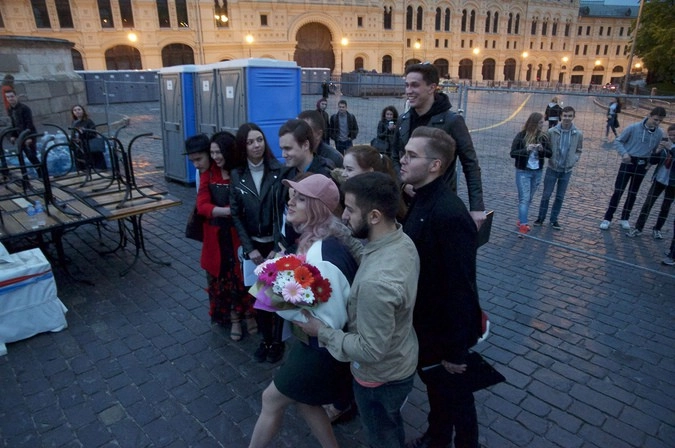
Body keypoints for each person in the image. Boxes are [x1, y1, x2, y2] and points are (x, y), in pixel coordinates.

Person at [296, 172, 420, 448]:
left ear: (374, 216)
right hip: (401, 358)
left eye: (350, 210)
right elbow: (369, 256)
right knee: (390, 426)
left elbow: (370, 350)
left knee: (382, 438)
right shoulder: (401, 241)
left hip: (379, 380)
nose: (344, 215)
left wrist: (321, 331)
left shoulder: (376, 284)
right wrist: (344, 235)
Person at [248, 174, 358, 448]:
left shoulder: (322, 255)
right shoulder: (321, 242)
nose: (290, 203)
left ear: (318, 208)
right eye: (292, 197)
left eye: (300, 199)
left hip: (320, 351)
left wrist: (276, 299)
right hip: (315, 346)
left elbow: (330, 320)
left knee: (270, 399)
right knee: (306, 402)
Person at [399, 126, 483, 448]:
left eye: (411, 155)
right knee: (438, 388)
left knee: (456, 393)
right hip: (425, 322)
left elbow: (461, 287)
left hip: (442, 329)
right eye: (405, 153)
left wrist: (455, 350)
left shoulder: (449, 213)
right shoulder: (421, 197)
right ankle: (437, 437)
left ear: (435, 165)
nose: (402, 160)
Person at [393, 63, 486, 230]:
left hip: (439, 203)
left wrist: (477, 207)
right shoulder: (403, 120)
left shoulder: (452, 121)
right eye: (406, 85)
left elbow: (470, 164)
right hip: (407, 203)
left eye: (415, 85)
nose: (408, 91)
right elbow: (394, 157)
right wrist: (403, 185)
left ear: (432, 88)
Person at [230, 123, 284, 360]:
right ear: (243, 146)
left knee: (279, 294)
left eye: (259, 140)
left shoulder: (278, 170)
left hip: (275, 245)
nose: (256, 146)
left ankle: (278, 342)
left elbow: (283, 212)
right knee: (260, 297)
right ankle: (266, 340)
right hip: (254, 247)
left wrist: (277, 246)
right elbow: (236, 214)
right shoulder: (237, 174)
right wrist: (250, 248)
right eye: (250, 142)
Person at [196, 132, 250, 335]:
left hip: (239, 235)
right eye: (212, 153)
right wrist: (227, 211)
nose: (215, 157)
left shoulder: (240, 172)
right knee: (224, 279)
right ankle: (234, 318)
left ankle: (249, 314)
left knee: (242, 276)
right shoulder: (209, 174)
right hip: (217, 237)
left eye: (219, 152)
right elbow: (202, 206)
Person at [600, 107, 667, 231]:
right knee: (618, 191)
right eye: (655, 119)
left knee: (633, 193)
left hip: (642, 164)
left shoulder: (659, 133)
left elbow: (654, 150)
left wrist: (650, 163)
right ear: (649, 115)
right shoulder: (633, 128)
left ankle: (625, 218)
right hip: (629, 161)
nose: (657, 123)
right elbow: (618, 141)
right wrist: (624, 154)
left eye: (660, 121)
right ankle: (607, 218)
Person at [534, 106, 583, 230]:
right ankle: (541, 218)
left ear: (573, 117)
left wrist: (574, 159)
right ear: (561, 116)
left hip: (566, 170)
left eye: (570, 116)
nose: (567, 118)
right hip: (552, 168)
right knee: (546, 195)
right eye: (565, 115)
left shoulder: (578, 134)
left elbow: (579, 149)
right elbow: (546, 147)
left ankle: (554, 219)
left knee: (560, 197)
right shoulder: (552, 131)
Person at [626, 124, 675, 239]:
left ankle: (657, 229)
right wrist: (657, 151)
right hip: (659, 179)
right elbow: (653, 161)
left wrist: (671, 149)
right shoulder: (666, 146)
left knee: (666, 206)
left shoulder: (670, 147)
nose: (672, 137)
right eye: (670, 135)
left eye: (674, 135)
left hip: (672, 183)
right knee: (648, 203)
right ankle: (638, 228)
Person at [510, 112, 552, 235]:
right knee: (524, 198)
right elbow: (513, 153)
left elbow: (550, 153)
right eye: (540, 123)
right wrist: (526, 150)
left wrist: (542, 149)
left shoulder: (543, 137)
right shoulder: (521, 135)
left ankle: (520, 220)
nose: (542, 125)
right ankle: (523, 225)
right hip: (523, 171)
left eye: (542, 123)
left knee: (528, 199)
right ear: (533, 123)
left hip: (537, 172)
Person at [342, 144, 407, 220]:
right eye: (344, 168)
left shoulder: (381, 203)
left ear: (369, 172)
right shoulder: (351, 193)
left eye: (349, 169)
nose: (343, 174)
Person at [5, 89, 41, 175]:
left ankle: (41, 173)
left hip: (28, 134)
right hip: (20, 135)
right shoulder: (10, 109)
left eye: (12, 96)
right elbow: (13, 123)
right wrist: (13, 135)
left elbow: (29, 123)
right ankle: (35, 173)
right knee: (26, 155)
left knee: (32, 155)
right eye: (8, 97)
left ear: (16, 96)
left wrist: (29, 137)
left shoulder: (24, 108)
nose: (10, 99)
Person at [70, 104, 105, 170]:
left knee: (93, 164)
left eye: (79, 109)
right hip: (79, 146)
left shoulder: (88, 121)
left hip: (89, 145)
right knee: (82, 164)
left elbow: (94, 133)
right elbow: (73, 134)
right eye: (75, 110)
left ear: (83, 111)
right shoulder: (74, 122)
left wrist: (84, 132)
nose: (77, 111)